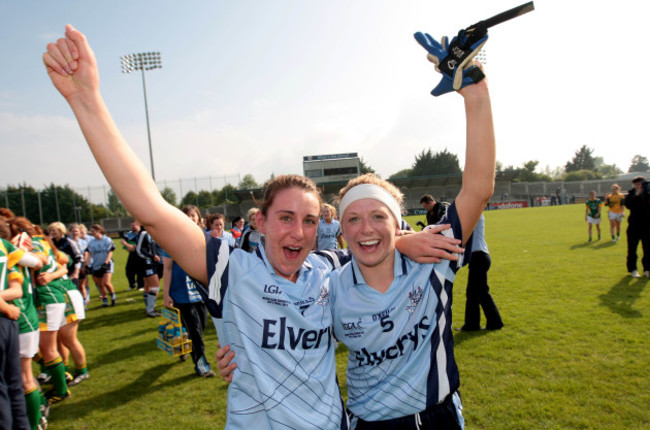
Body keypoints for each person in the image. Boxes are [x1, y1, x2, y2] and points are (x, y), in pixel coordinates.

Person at [42, 25, 462, 429]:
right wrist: (87, 100)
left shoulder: (329, 269)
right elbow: (151, 209)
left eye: (309, 221)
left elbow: (371, 249)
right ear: (259, 222)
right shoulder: (230, 270)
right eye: (285, 218)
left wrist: (404, 241)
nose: (297, 232)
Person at [162, 205, 215, 377]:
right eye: (187, 216)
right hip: (182, 294)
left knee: (201, 326)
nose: (191, 218)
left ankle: (183, 338)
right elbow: (167, 269)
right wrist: (166, 293)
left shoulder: (205, 238)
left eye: (193, 215)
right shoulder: (171, 240)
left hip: (202, 292)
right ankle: (202, 365)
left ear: (199, 218)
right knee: (196, 332)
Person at [460, 214, 503, 331]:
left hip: (478, 256)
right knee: (474, 293)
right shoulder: (476, 214)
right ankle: (473, 325)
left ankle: (493, 323)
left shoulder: (474, 215)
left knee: (480, 293)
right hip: (479, 256)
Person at [624, 176, 650, 278]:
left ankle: (647, 269)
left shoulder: (648, 194)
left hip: (647, 226)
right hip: (634, 226)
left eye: (640, 184)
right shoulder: (630, 194)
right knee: (632, 249)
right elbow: (628, 205)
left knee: (647, 249)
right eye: (636, 185)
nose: (638, 186)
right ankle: (633, 269)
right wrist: (637, 195)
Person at [85, 224, 117, 307]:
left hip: (107, 264)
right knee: (100, 285)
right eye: (91, 231)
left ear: (98, 230)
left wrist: (106, 262)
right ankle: (105, 302)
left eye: (93, 231)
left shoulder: (106, 239)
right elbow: (89, 254)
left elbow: (110, 251)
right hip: (96, 265)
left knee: (106, 282)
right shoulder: (91, 242)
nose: (91, 233)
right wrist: (87, 264)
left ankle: (113, 297)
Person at [134, 224, 162, 317]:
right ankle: (150, 310)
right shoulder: (144, 233)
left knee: (148, 286)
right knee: (156, 286)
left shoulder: (150, 233)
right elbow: (139, 250)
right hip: (147, 264)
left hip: (150, 264)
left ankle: (149, 308)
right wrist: (152, 256)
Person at [121, 219, 145, 290]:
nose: (132, 226)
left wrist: (134, 246)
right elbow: (123, 241)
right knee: (128, 270)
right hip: (132, 254)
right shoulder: (129, 233)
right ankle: (132, 284)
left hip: (141, 254)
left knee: (140, 270)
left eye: (134, 225)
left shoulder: (142, 233)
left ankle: (141, 286)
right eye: (131, 225)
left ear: (138, 225)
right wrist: (129, 246)